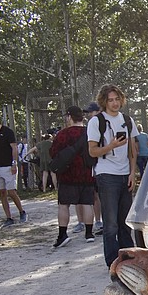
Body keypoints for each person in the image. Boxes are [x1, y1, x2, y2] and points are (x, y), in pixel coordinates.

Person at [87, 85, 137, 267]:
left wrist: (132, 172)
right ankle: (112, 261)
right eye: (110, 100)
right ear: (104, 102)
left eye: (117, 99)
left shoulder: (128, 120)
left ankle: (128, 258)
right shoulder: (96, 122)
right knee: (111, 224)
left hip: (125, 174)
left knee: (125, 221)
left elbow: (133, 149)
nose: (115, 103)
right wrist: (111, 146)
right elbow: (92, 151)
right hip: (106, 174)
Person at [50, 106, 96, 247]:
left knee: (63, 205)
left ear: (69, 117)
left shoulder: (63, 134)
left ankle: (62, 235)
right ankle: (89, 233)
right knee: (87, 203)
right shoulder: (90, 132)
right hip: (87, 173)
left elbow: (53, 152)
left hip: (67, 175)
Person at [0, 114, 28, 226]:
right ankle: (9, 218)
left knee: (11, 191)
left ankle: (22, 212)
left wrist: (14, 163)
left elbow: (14, 148)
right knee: (2, 192)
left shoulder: (8, 132)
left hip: (8, 166)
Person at [80, 102, 103, 236]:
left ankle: (102, 222)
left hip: (102, 165)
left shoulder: (100, 123)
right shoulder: (90, 125)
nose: (89, 114)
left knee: (101, 196)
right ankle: (99, 221)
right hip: (94, 166)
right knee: (96, 196)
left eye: (91, 112)